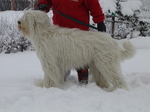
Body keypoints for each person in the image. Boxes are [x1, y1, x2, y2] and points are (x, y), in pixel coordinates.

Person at [37, 0, 106, 84]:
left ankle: (82, 72)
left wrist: (99, 21)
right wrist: (43, 5)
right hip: (60, 31)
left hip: (80, 31)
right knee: (61, 54)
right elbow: (46, 1)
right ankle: (63, 72)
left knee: (82, 53)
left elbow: (93, 4)